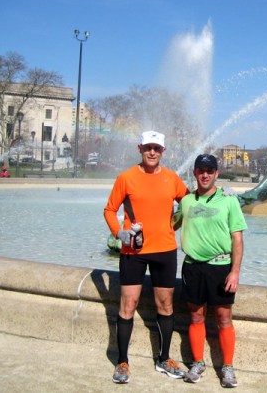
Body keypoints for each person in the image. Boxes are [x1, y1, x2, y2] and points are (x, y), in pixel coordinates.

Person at [103, 130, 189, 384]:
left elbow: (189, 204)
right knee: (128, 306)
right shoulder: (126, 178)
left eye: (157, 148)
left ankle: (164, 359)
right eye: (148, 147)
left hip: (165, 250)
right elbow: (109, 209)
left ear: (163, 151)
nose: (152, 152)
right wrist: (119, 232)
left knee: (166, 305)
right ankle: (122, 362)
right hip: (134, 252)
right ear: (140, 148)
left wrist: (177, 224)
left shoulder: (172, 179)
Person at [175, 154, 247, 388]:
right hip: (193, 266)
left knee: (223, 318)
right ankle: (197, 362)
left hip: (220, 266)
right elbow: (168, 224)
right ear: (195, 173)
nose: (205, 174)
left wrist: (234, 271)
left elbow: (237, 239)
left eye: (210, 170)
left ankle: (227, 367)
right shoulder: (186, 202)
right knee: (195, 316)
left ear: (217, 173)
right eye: (200, 170)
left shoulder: (229, 201)